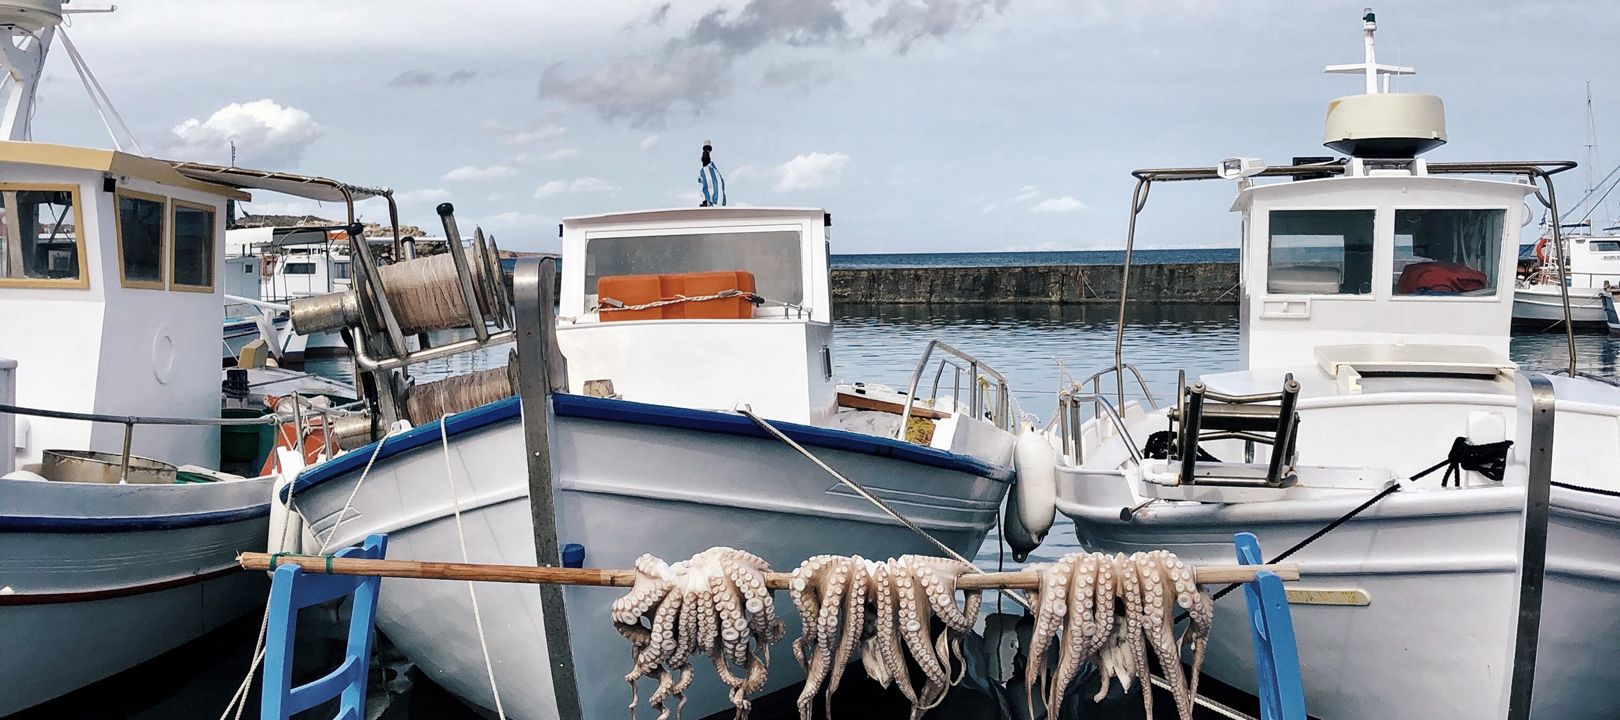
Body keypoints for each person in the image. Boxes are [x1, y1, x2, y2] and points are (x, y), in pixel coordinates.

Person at [699, 140, 726, 207]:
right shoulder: (707, 171)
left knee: (713, 184)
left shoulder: (711, 170)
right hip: (716, 198)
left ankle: (713, 202)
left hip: (717, 200)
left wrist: (706, 150)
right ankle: (710, 202)